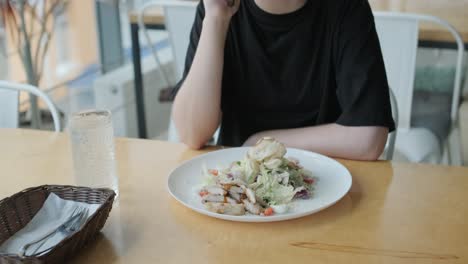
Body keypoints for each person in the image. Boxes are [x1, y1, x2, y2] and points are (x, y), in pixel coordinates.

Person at [172, 0, 395, 161]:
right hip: (240, 188)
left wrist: (264, 141)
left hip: (325, 182)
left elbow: (369, 139)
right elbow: (192, 134)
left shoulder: (346, 8)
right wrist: (215, 18)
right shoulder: (218, 9)